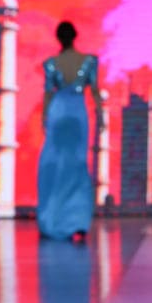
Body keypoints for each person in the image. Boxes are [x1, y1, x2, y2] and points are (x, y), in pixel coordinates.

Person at [37, 21, 101, 241]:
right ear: (75, 36)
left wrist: (44, 117)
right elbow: (95, 91)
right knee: (77, 165)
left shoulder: (51, 64)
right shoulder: (89, 61)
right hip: (77, 112)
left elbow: (48, 93)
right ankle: (77, 221)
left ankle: (53, 219)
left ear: (58, 38)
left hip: (58, 112)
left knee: (55, 166)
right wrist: (101, 115)